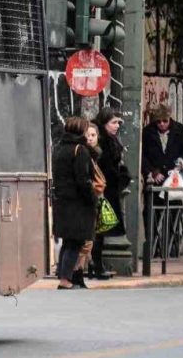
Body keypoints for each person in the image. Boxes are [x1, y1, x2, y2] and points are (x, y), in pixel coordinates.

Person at [52, 116, 98, 290]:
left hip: (62, 202)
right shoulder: (80, 150)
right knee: (76, 242)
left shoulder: (59, 148)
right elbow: (83, 180)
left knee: (68, 241)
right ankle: (65, 279)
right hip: (78, 204)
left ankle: (64, 276)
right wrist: (92, 197)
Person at [90, 107, 132, 278]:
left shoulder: (111, 140)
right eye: (113, 122)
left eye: (118, 123)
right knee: (97, 230)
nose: (117, 126)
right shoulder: (102, 141)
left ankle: (97, 265)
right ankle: (95, 265)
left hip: (109, 190)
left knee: (100, 230)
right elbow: (106, 168)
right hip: (103, 191)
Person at [72, 122, 106, 288]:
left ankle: (80, 272)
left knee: (88, 240)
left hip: (93, 200)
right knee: (86, 240)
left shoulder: (94, 154)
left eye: (93, 135)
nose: (91, 138)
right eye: (88, 135)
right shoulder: (84, 154)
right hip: (87, 201)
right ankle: (76, 272)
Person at [141, 103, 183, 185]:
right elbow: (142, 155)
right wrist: (152, 171)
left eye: (165, 121)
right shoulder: (148, 132)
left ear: (169, 119)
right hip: (156, 179)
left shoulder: (179, 130)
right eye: (158, 121)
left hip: (175, 176)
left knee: (175, 196)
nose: (162, 124)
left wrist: (181, 162)